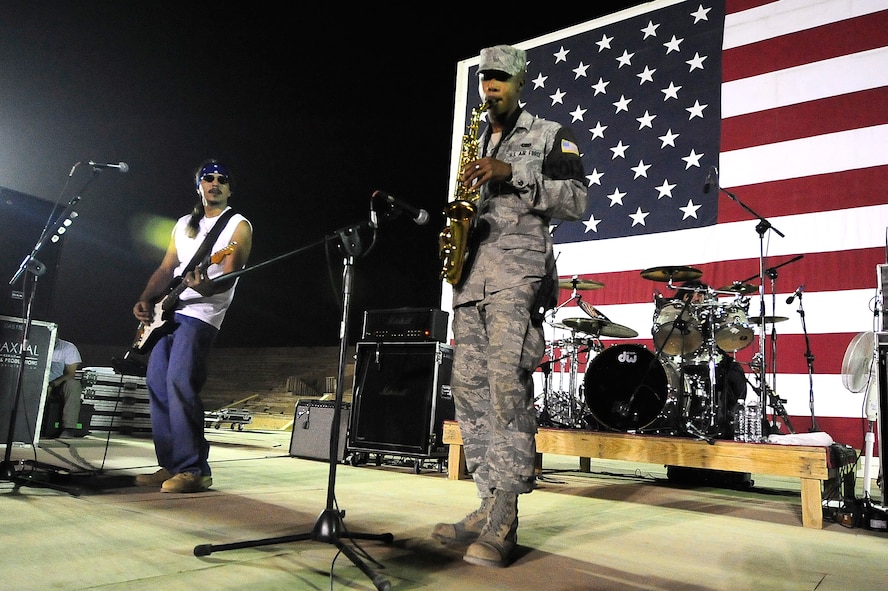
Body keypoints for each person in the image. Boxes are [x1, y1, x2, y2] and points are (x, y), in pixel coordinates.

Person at [432, 45, 588, 567]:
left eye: (499, 77)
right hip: (471, 278)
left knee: (505, 385)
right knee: (468, 390)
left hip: (518, 275)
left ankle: (506, 514)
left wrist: (511, 173)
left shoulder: (548, 134)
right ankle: (486, 500)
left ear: (520, 81)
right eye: (483, 78)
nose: (490, 85)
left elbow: (577, 200)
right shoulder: (474, 140)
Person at [132, 159, 252, 493]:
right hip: (168, 312)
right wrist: (145, 299)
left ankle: (193, 468)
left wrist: (205, 287)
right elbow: (167, 268)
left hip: (202, 313)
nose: (215, 183)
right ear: (199, 186)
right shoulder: (184, 223)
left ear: (229, 189)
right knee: (157, 382)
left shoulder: (237, 225)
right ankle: (169, 464)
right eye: (208, 178)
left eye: (222, 180)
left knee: (179, 382)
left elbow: (228, 277)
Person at [667, 279, 748, 438]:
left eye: (701, 294)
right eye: (691, 295)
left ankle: (728, 421)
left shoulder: (710, 315)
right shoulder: (676, 316)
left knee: (735, 372)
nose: (697, 298)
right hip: (683, 361)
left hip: (711, 361)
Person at [47, 337, 84, 438]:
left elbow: (71, 374)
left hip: (56, 386)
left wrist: (52, 384)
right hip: (33, 382)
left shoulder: (69, 348)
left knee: (74, 385)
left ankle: (68, 428)